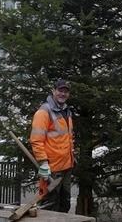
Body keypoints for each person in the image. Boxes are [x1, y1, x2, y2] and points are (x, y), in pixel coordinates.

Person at [29, 80, 74, 213]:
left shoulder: (67, 112)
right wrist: (43, 163)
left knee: (64, 205)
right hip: (52, 169)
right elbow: (36, 140)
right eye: (60, 90)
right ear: (53, 91)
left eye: (66, 91)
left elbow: (67, 138)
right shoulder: (44, 112)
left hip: (66, 166)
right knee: (49, 206)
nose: (63, 94)